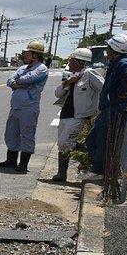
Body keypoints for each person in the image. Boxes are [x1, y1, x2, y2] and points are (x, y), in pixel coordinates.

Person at [86, 33, 127, 176]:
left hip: (114, 109)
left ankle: (100, 170)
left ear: (114, 49)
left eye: (108, 47)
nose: (106, 50)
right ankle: (99, 168)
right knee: (94, 139)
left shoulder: (123, 63)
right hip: (109, 108)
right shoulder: (117, 62)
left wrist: (121, 94)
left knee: (100, 140)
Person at [50, 47, 103, 182]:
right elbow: (57, 93)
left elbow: (102, 88)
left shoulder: (90, 73)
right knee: (63, 144)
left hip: (79, 115)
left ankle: (91, 156)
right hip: (65, 114)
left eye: (71, 60)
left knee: (65, 142)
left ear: (80, 61)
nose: (69, 63)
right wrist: (68, 82)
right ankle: (62, 173)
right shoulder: (70, 75)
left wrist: (95, 107)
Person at [0, 40, 49, 173]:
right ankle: (11, 160)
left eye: (27, 53)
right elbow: (10, 81)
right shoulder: (22, 68)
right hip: (15, 107)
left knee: (27, 135)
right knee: (11, 133)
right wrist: (20, 83)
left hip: (29, 107)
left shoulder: (42, 68)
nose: (24, 55)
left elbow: (28, 79)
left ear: (35, 55)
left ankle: (23, 164)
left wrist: (19, 83)